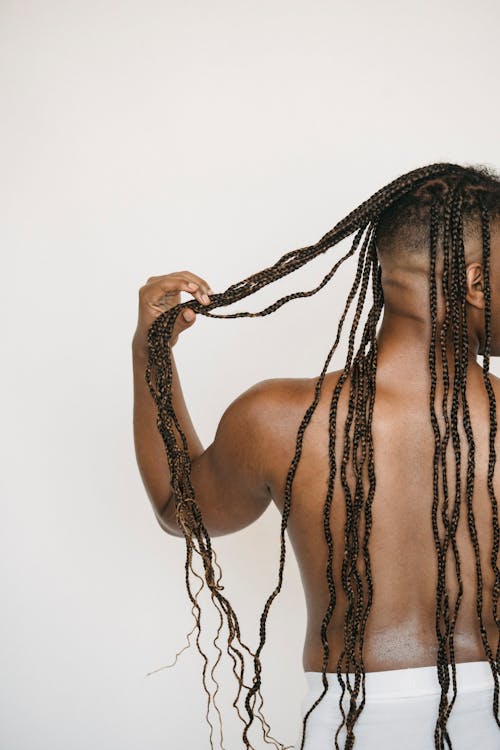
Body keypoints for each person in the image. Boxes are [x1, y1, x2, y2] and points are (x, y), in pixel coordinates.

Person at [132, 163, 500, 749]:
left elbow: (179, 509)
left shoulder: (278, 417)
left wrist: (150, 354)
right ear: (476, 283)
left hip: (351, 725)